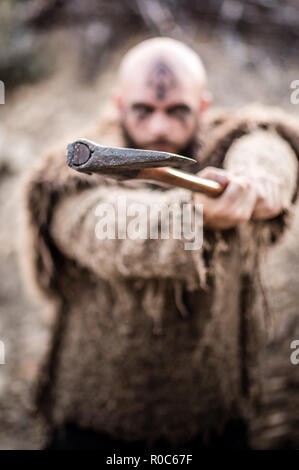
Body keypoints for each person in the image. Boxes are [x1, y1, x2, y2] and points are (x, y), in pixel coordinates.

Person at [22, 37, 299, 449]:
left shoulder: (223, 144)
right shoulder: (67, 181)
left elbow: (265, 141)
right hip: (91, 425)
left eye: (177, 111)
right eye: (144, 110)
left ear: (202, 107)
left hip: (213, 422)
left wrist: (256, 175)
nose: (159, 129)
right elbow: (110, 230)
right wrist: (197, 214)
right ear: (118, 104)